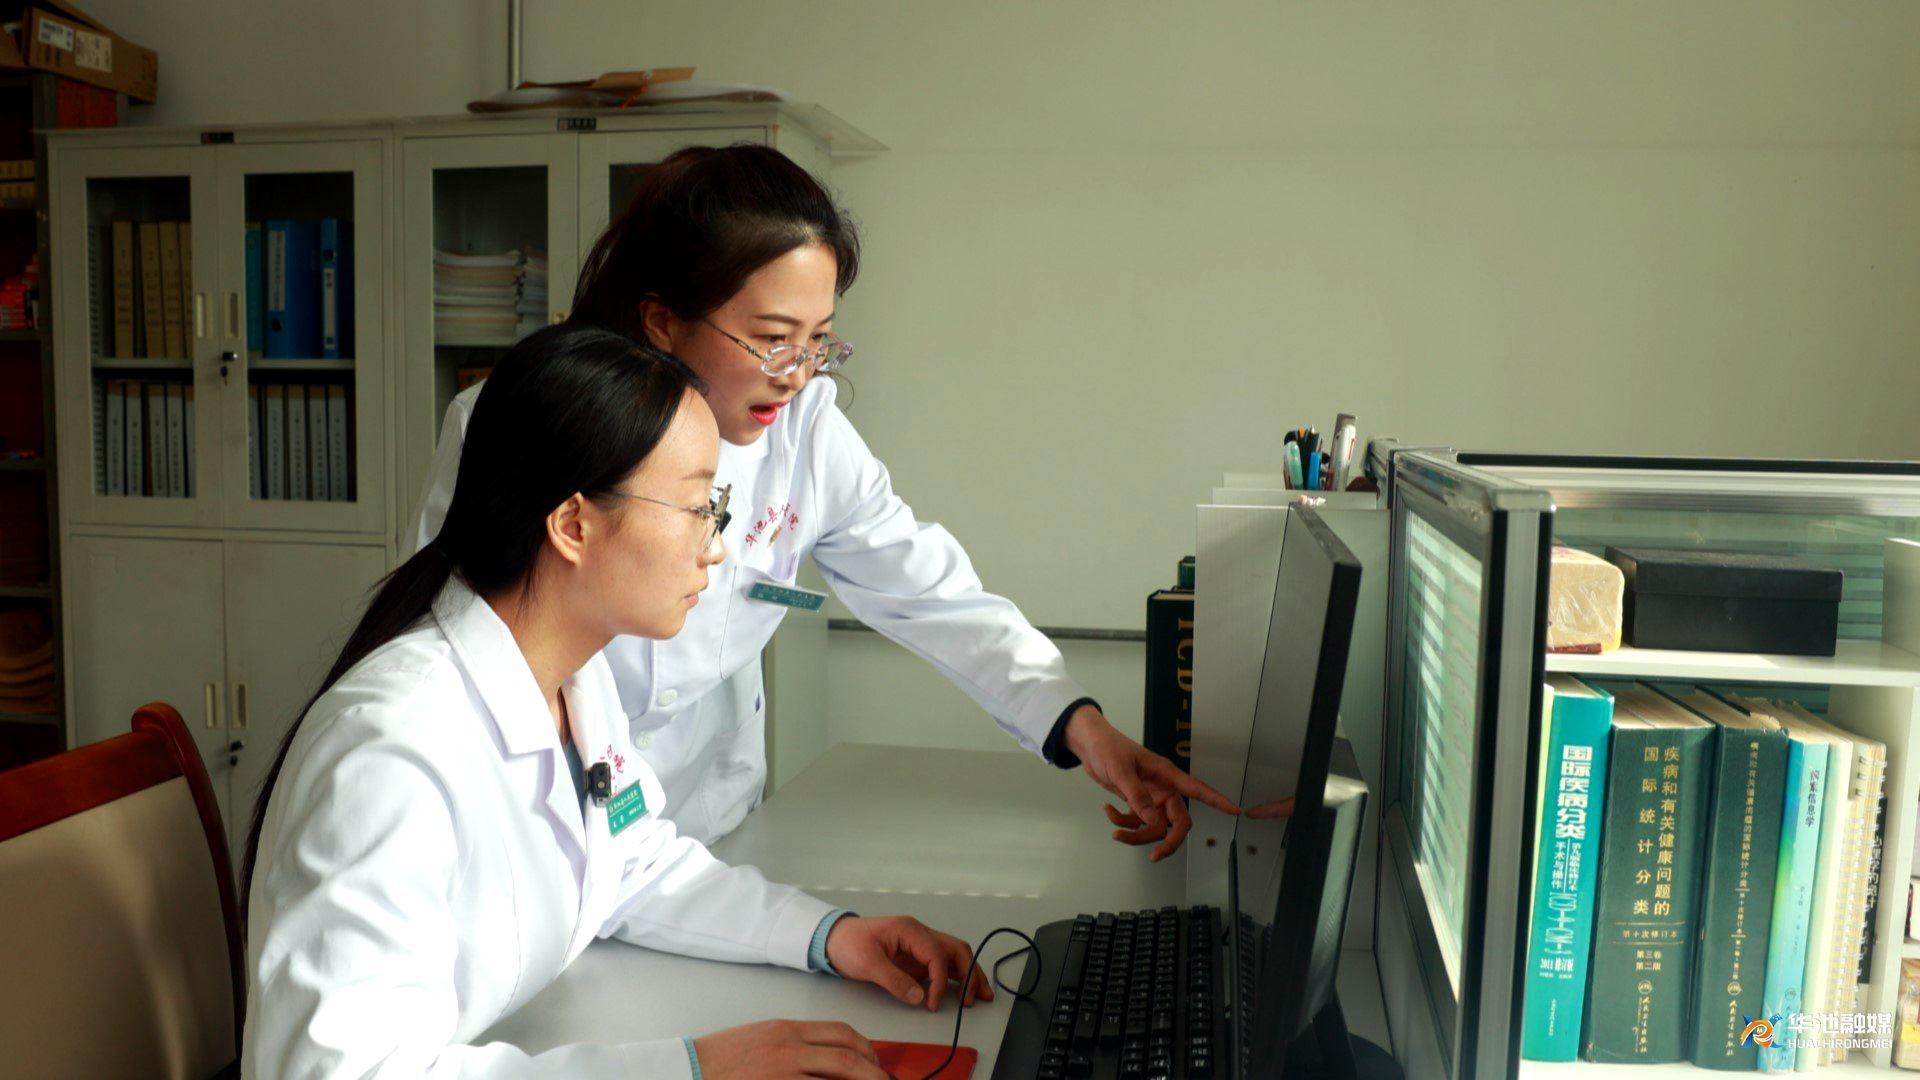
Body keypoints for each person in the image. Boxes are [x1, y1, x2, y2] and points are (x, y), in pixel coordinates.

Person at [409, 145, 1238, 859]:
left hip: (704, 819)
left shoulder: (804, 433)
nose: (798, 374)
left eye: (817, 341)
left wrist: (1082, 725)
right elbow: (451, 644)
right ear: (662, 320)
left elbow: (930, 591)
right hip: (544, 821)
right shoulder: (518, 425)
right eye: (773, 340)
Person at [244, 325, 989, 1079]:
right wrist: (692, 1070)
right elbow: (342, 1073)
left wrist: (831, 935)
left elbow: (629, 860)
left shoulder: (576, 681)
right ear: (574, 525)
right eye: (697, 506)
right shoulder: (391, 752)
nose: (716, 546)